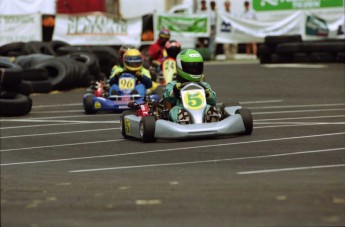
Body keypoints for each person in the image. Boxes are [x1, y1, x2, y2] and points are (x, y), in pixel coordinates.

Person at [163, 49, 218, 124]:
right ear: (180, 66)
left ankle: (211, 117)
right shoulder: (173, 84)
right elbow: (166, 99)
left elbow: (213, 101)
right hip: (182, 108)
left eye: (197, 67)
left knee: (209, 107)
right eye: (190, 67)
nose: (194, 70)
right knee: (175, 110)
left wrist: (208, 95)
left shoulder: (204, 85)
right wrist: (174, 92)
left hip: (201, 109)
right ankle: (183, 120)